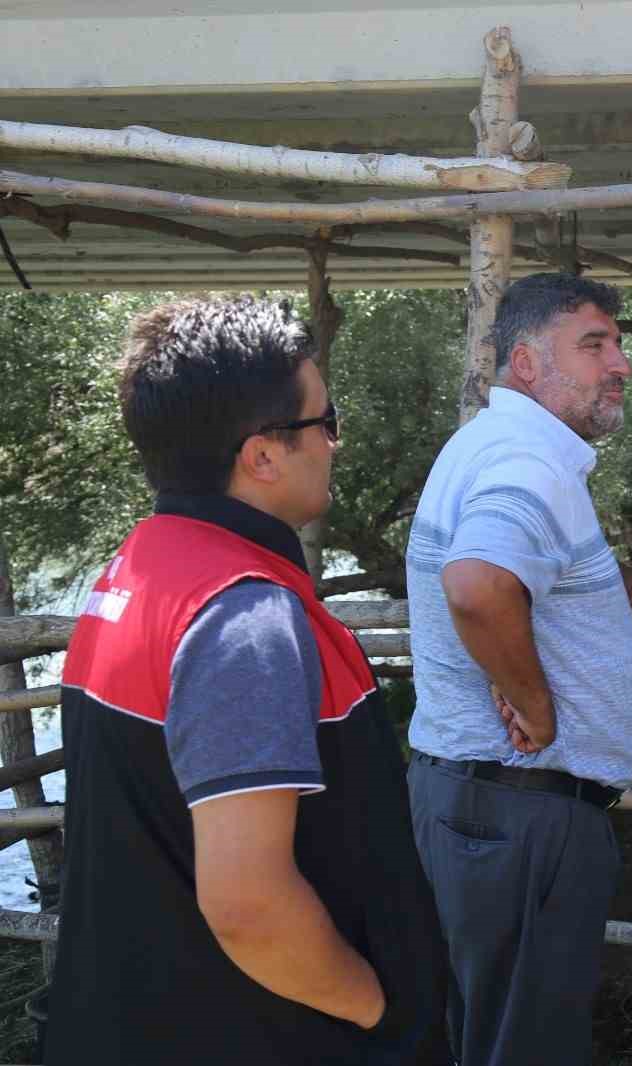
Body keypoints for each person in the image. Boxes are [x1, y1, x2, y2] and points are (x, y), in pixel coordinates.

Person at [48, 296, 448, 1064]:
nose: (337, 442)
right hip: (266, 1034)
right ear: (262, 455)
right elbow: (249, 907)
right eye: (324, 422)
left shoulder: (137, 572)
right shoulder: (244, 621)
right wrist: (380, 1012)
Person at [406, 273, 632, 1066]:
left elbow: (511, 568)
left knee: (488, 1035)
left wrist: (609, 589)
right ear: (526, 364)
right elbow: (479, 582)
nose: (621, 363)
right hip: (521, 806)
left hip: (482, 803)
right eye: (594, 345)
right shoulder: (529, 460)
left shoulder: (497, 447)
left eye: (618, 344)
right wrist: (538, 707)